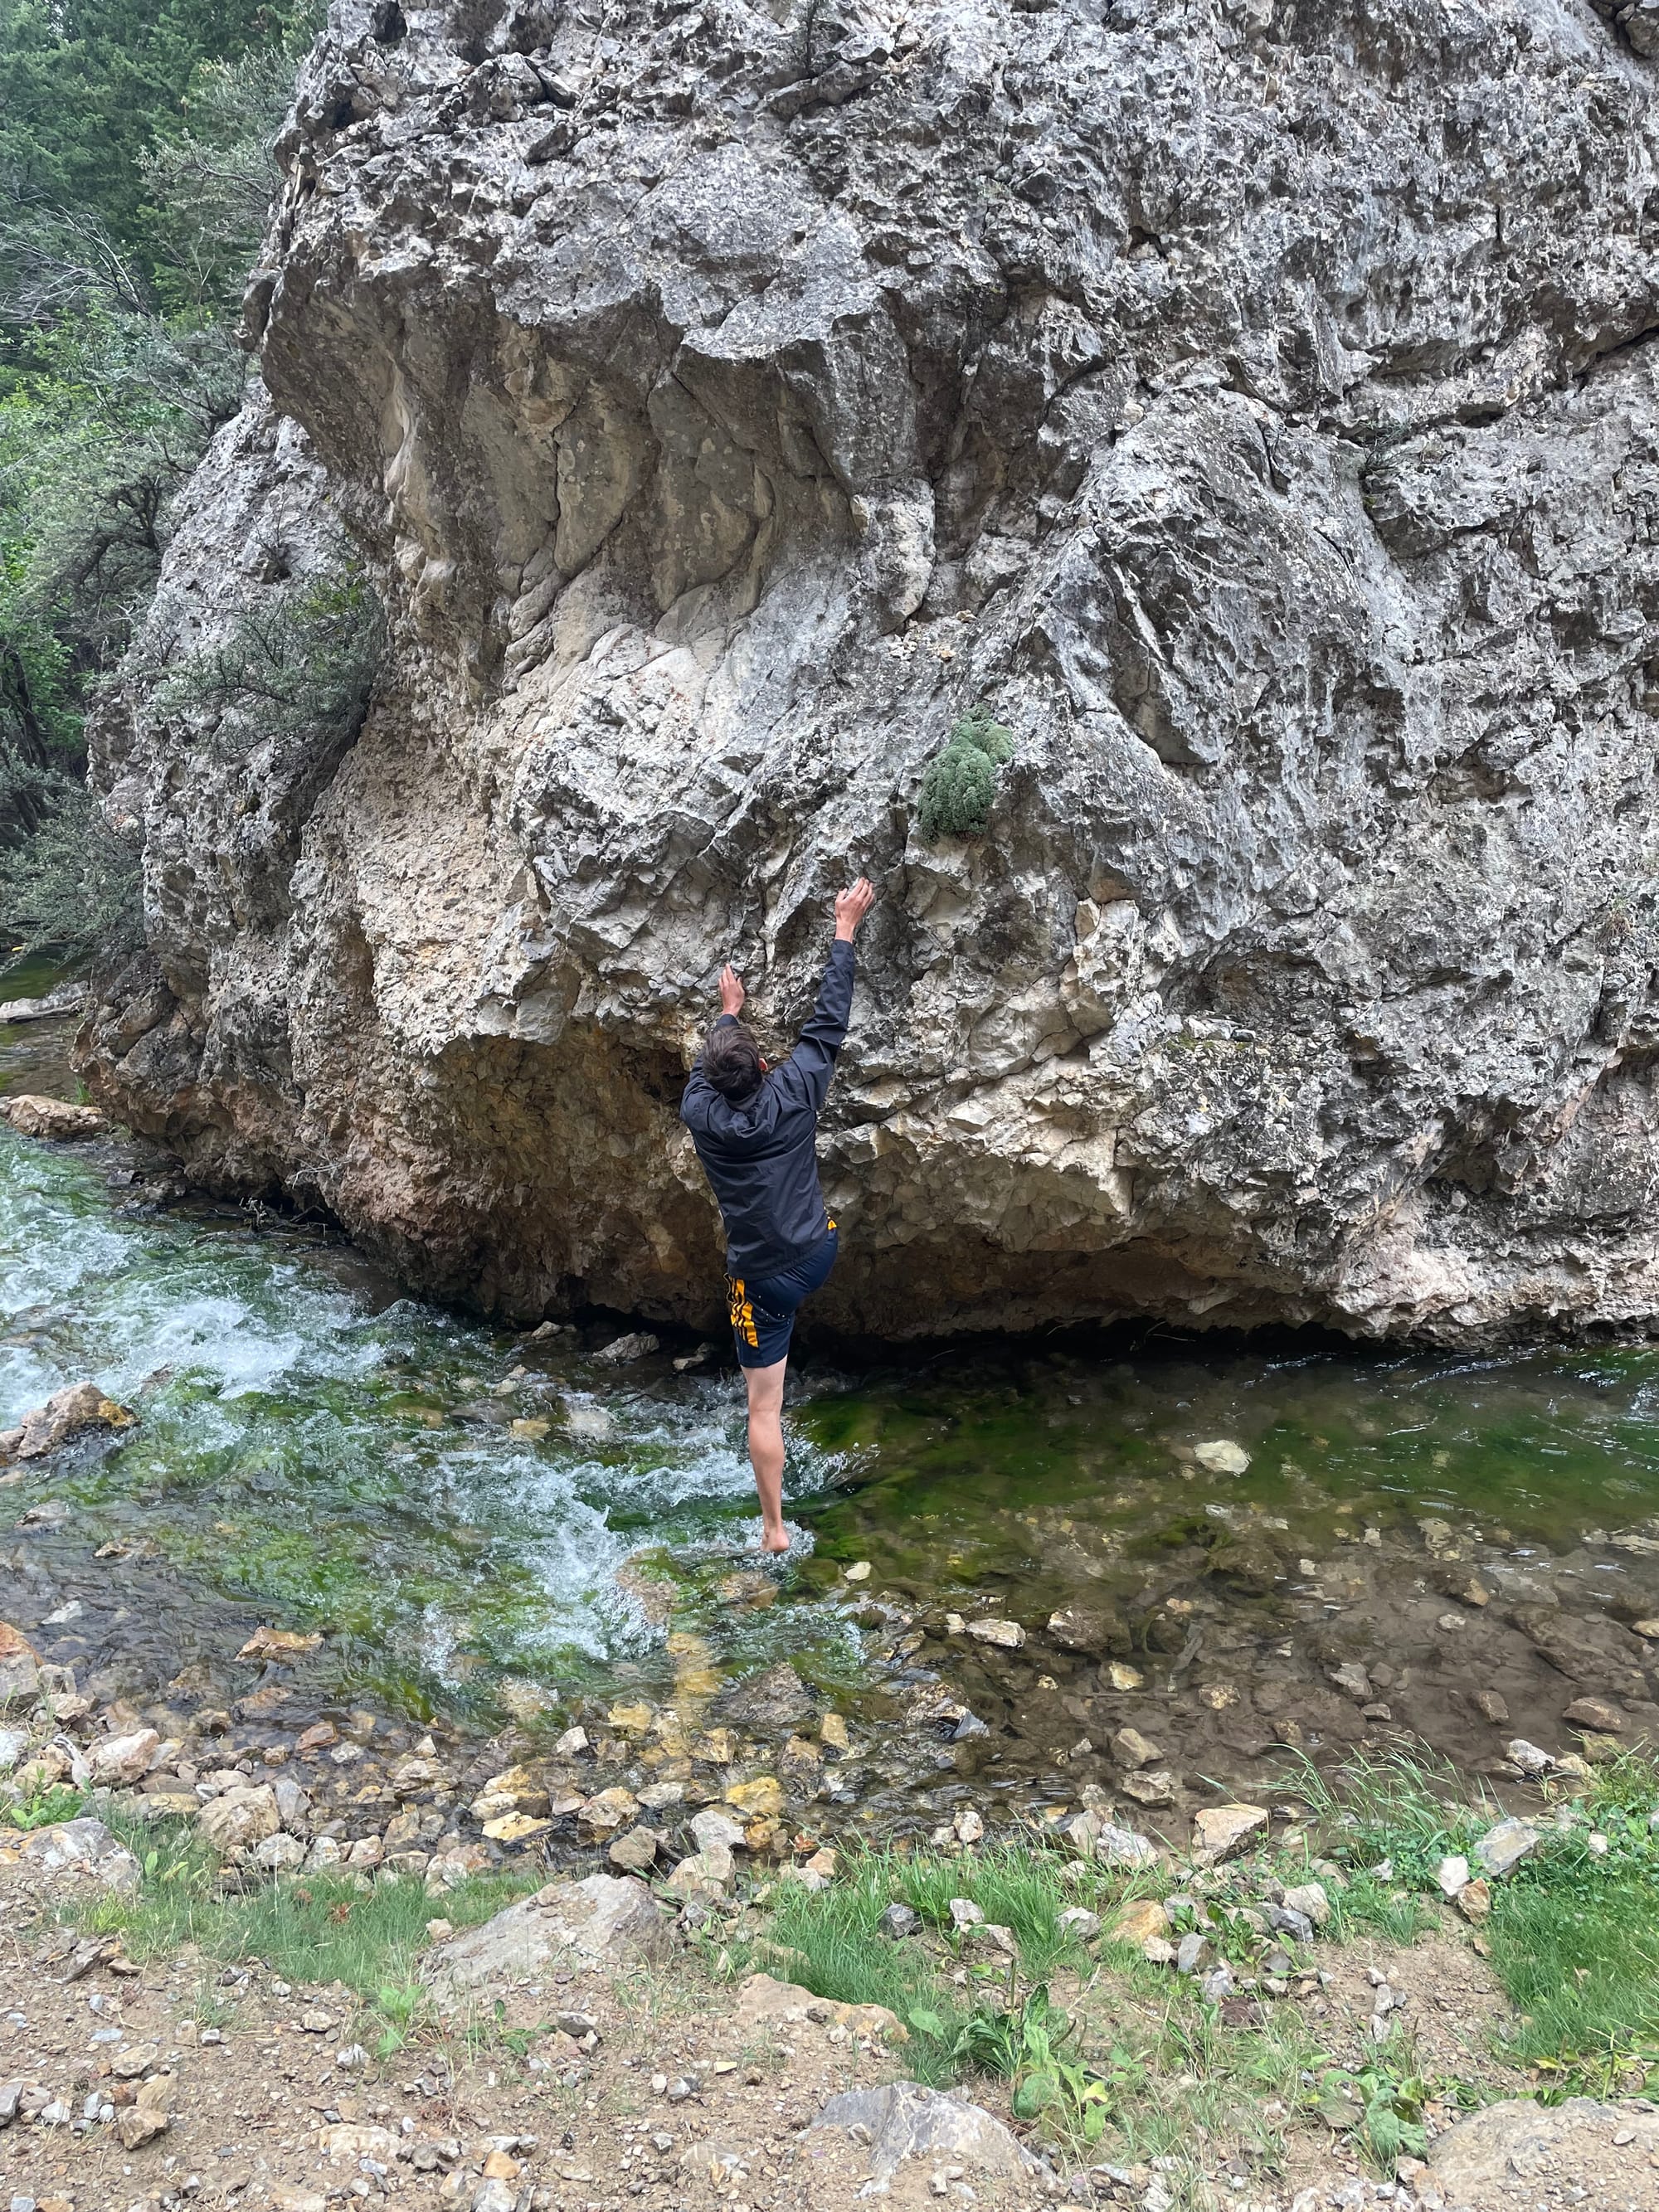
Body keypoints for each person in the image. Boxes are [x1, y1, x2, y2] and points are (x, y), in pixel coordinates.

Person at [680, 878, 876, 1552]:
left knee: (763, 1405)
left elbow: (703, 1075)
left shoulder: (700, 1113)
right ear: (765, 1065)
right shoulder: (793, 1091)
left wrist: (725, 1016)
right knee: (814, 1231)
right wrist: (844, 930)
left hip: (762, 1280)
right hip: (818, 1251)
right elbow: (828, 1022)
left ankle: (774, 1528)